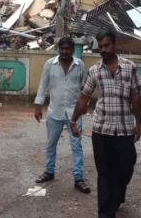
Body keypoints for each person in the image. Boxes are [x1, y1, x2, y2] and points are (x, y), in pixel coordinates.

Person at [70, 31, 141, 218]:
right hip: (102, 129)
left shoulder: (129, 67)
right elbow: (84, 97)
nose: (103, 50)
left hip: (125, 127)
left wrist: (138, 124)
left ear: (114, 45)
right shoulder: (94, 71)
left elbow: (135, 95)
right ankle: (105, 213)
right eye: (100, 46)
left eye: (106, 45)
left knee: (126, 167)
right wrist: (73, 120)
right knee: (104, 172)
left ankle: (118, 195)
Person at [34, 37, 91, 194]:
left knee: (77, 145)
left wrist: (85, 104)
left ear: (73, 50)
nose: (65, 51)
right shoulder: (50, 64)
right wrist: (38, 106)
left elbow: (85, 86)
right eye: (62, 48)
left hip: (75, 113)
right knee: (51, 144)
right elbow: (43, 84)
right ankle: (49, 171)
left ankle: (78, 178)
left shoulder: (79, 65)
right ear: (58, 49)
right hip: (54, 112)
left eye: (68, 49)